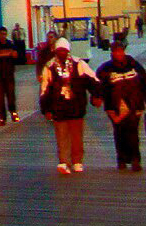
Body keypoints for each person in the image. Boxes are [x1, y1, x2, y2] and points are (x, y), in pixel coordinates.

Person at [38, 37, 101, 174]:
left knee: (76, 136)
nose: (61, 53)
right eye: (59, 50)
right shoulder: (49, 67)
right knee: (61, 136)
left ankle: (77, 161)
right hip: (58, 107)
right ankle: (63, 162)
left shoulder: (79, 64)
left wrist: (96, 96)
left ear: (68, 51)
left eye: (64, 50)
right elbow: (44, 89)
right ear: (55, 51)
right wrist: (46, 109)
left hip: (76, 106)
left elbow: (93, 80)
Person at [96, 34, 146, 170]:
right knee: (119, 132)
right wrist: (98, 98)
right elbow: (99, 86)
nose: (118, 53)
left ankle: (135, 160)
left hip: (134, 104)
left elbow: (145, 83)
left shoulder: (134, 65)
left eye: (120, 51)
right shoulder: (105, 69)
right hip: (115, 106)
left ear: (124, 51)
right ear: (112, 53)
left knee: (133, 132)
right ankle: (122, 159)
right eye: (116, 51)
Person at [0, 26, 26, 124]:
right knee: (0, 97)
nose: (3, 36)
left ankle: (13, 112)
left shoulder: (10, 45)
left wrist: (16, 55)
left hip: (9, 74)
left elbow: (19, 57)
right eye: (1, 34)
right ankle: (2, 117)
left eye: (4, 34)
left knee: (11, 95)